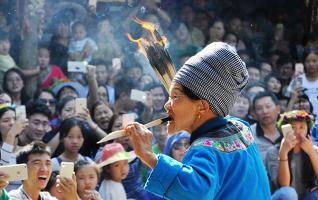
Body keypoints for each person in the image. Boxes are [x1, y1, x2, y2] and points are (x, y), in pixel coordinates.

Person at [125, 42, 271, 199]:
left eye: (175, 97)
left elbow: (195, 192)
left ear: (202, 106)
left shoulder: (207, 149)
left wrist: (148, 155)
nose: (167, 105)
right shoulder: (240, 127)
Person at [265, 110, 318, 199]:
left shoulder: (315, 150)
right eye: (293, 127)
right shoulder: (273, 152)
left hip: (307, 197)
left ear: (307, 131)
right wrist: (283, 153)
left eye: (302, 127)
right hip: (283, 196)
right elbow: (284, 185)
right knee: (288, 193)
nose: (297, 132)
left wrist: (312, 153)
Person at [8, 141, 78, 200]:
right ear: (22, 169)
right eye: (37, 163)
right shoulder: (13, 197)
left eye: (48, 163)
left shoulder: (48, 198)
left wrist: (72, 196)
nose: (44, 169)